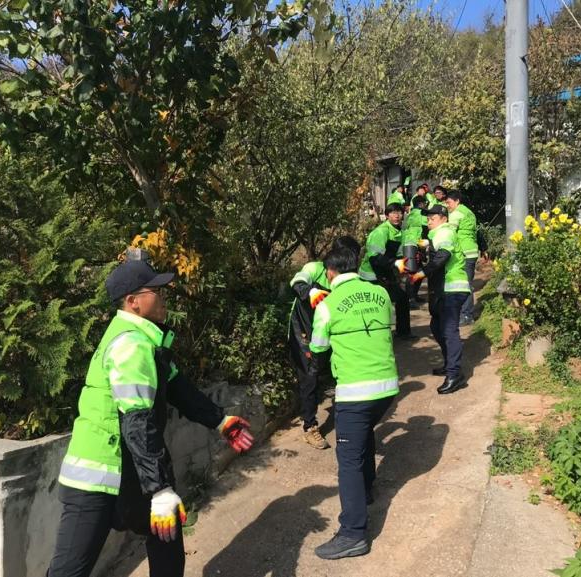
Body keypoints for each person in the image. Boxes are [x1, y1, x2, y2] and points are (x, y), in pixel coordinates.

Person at [47, 259, 254, 577]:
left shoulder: (145, 341)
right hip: (98, 475)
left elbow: (177, 386)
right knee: (69, 571)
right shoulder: (131, 346)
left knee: (166, 535)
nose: (164, 296)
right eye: (156, 290)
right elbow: (138, 421)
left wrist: (220, 421)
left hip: (129, 471)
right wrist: (159, 489)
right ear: (133, 302)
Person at [309, 247, 400, 560]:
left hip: (355, 391)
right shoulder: (380, 293)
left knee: (347, 459)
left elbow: (318, 348)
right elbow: (386, 329)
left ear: (330, 272)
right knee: (364, 435)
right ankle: (368, 490)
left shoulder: (327, 305)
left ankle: (353, 533)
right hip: (387, 388)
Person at [288, 235, 362, 450]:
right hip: (304, 330)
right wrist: (309, 291)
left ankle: (344, 415)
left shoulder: (348, 278)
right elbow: (297, 281)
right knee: (310, 377)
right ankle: (309, 427)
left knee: (338, 370)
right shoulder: (314, 269)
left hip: (328, 329)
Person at [410, 205, 471, 395]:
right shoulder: (438, 234)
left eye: (432, 218)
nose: (429, 221)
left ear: (443, 218)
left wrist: (422, 273)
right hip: (444, 289)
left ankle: (455, 375)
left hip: (452, 288)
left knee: (448, 330)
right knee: (437, 326)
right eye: (427, 218)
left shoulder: (444, 232)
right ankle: (449, 365)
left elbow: (443, 256)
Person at [358, 203, 415, 339]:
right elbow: (374, 259)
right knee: (376, 304)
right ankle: (371, 334)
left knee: (401, 298)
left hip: (385, 273)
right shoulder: (380, 232)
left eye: (399, 213)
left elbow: (400, 253)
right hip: (371, 276)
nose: (396, 215)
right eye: (393, 213)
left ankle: (403, 332)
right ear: (387, 215)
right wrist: (394, 263)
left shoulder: (399, 231)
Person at [445, 190, 480, 326]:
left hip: (464, 252)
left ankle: (466, 315)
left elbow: (450, 232)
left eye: (449, 202)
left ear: (457, 201)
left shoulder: (457, 213)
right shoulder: (469, 212)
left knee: (465, 285)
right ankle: (465, 314)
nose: (448, 205)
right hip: (471, 250)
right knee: (467, 284)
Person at [402, 194, 429, 307]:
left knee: (419, 272)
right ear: (421, 204)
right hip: (412, 244)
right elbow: (427, 226)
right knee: (412, 272)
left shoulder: (410, 214)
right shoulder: (421, 213)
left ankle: (414, 296)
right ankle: (410, 299)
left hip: (412, 244)